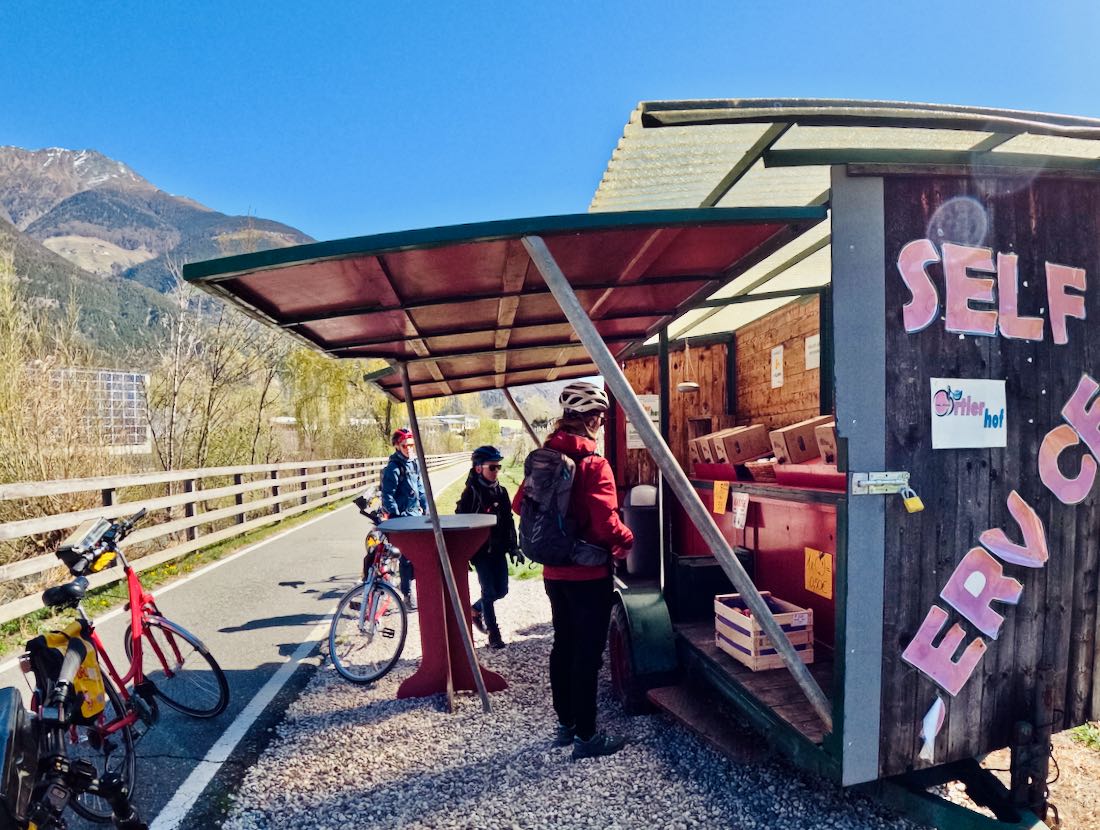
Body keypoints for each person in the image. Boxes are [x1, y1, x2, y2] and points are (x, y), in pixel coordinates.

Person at [513, 380, 634, 760]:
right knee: (588, 653)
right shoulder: (595, 464)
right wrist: (627, 539)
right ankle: (587, 736)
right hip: (588, 575)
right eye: (599, 417)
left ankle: (565, 726)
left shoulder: (545, 456)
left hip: (553, 572)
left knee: (563, 646)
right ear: (592, 419)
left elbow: (520, 505)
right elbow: (604, 524)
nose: (601, 422)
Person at [455, 445, 522, 650]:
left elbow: (508, 520)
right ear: (478, 469)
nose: (496, 471)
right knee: (489, 590)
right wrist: (463, 554)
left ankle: (475, 610)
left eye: (498, 467)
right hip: (481, 552)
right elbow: (460, 524)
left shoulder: (501, 492)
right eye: (492, 467)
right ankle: (494, 634)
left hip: (498, 549)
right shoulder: (471, 494)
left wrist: (513, 547)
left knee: (501, 590)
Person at [380, 428, 427, 609]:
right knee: (407, 557)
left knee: (421, 554)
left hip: (415, 515)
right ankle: (407, 594)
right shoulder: (393, 468)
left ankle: (408, 584)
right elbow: (388, 495)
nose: (409, 449)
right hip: (403, 517)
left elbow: (421, 488)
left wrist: (427, 508)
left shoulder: (414, 464)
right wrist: (395, 516)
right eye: (405, 446)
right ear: (397, 446)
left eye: (411, 445)